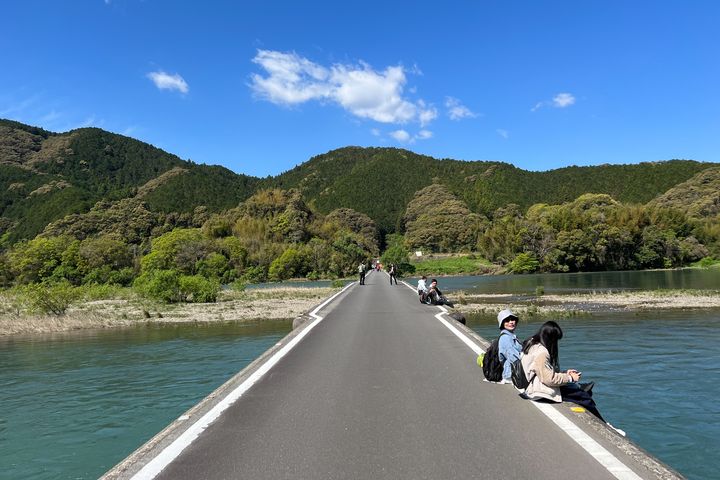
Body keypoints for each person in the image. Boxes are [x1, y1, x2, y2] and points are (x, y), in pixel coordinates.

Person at [520, 321, 605, 421]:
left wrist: (565, 373)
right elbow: (548, 379)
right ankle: (602, 422)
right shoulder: (542, 353)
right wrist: (570, 378)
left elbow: (541, 371)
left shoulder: (532, 343)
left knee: (579, 391)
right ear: (551, 338)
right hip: (539, 391)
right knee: (584, 397)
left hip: (533, 386)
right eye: (555, 340)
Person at [497, 309, 522, 384]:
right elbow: (513, 357)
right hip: (512, 374)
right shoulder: (506, 338)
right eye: (507, 320)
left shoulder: (511, 336)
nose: (511, 322)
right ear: (502, 324)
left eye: (513, 319)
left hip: (514, 372)